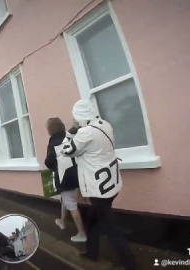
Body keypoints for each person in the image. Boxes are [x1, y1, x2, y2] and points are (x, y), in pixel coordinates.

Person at [57, 100, 136, 270]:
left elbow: (66, 150)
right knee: (93, 221)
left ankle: (130, 263)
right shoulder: (104, 125)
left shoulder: (85, 133)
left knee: (110, 229)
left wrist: (70, 132)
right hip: (111, 185)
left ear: (79, 117)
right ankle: (92, 253)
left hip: (98, 189)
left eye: (75, 117)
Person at [44, 117, 86, 242]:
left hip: (65, 178)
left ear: (50, 130)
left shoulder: (52, 144)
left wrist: (55, 168)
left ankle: (82, 233)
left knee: (72, 205)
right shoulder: (69, 137)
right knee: (66, 199)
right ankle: (62, 221)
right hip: (77, 174)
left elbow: (49, 162)